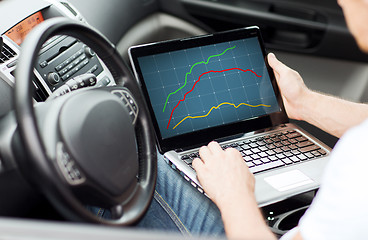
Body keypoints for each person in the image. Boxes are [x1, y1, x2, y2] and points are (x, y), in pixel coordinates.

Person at [94, 0, 368, 238]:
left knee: (130, 155)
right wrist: (304, 103)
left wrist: (235, 194)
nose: (342, 2)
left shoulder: (356, 161)